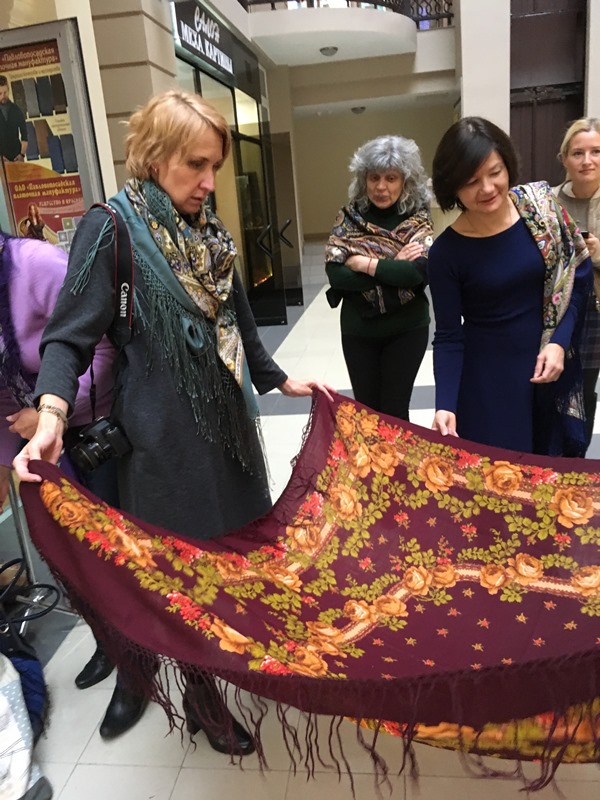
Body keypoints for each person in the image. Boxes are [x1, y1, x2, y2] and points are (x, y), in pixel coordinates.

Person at [13, 90, 332, 755]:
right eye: (195, 165)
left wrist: (277, 379)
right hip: (163, 447)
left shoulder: (208, 231)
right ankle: (202, 697)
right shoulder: (112, 229)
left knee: (230, 559)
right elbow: (68, 337)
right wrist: (50, 414)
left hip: (228, 434)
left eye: (214, 165)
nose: (209, 181)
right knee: (183, 578)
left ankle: (223, 665)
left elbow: (236, 318)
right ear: (154, 157)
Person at [0, 229, 149, 741]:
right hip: (34, 447)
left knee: (112, 556)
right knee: (69, 559)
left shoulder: (36, 266)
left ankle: (136, 668)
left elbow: (105, 351)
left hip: (91, 431)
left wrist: (47, 413)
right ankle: (110, 641)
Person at [429, 116, 592, 456]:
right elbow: (448, 336)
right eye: (471, 181)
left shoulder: (542, 210)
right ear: (452, 186)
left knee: (551, 474)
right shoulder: (446, 252)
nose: (487, 188)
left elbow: (577, 276)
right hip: (487, 388)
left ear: (508, 166)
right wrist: (445, 404)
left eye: (495, 172)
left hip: (548, 372)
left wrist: (559, 343)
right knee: (503, 480)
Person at [325, 135, 433, 420]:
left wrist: (363, 263)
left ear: (406, 181)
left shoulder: (418, 219)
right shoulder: (348, 217)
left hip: (407, 329)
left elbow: (416, 273)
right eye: (374, 177)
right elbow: (336, 275)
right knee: (368, 416)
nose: (381, 187)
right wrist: (392, 265)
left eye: (391, 178)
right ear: (364, 180)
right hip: (359, 331)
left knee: (396, 413)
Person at [553, 117, 600, 451]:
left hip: (596, 311)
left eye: (596, 152)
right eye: (578, 153)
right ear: (564, 159)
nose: (587, 160)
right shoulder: (550, 201)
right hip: (558, 308)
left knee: (584, 388)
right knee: (557, 384)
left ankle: (576, 461)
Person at [0, 75, 27, 162]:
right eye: (0, 93)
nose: (3, 96)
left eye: (5, 92)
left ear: (9, 90)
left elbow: (25, 134)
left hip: (17, 157)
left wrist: (22, 155)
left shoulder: (16, 109)